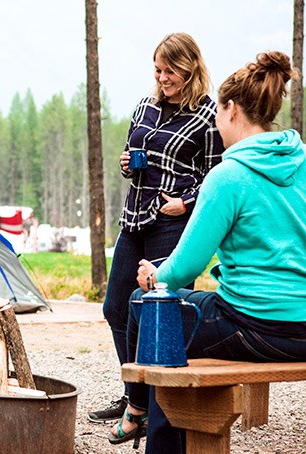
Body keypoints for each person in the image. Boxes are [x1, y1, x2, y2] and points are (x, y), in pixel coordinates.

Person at [115, 50, 306, 452]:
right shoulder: (302, 165)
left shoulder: (227, 176)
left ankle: (142, 415)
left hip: (257, 326)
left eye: (218, 114)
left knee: (149, 307)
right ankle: (146, 415)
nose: (216, 125)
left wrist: (154, 276)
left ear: (232, 109)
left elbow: (185, 268)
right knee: (176, 325)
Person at [88, 32, 224, 425]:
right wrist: (127, 164)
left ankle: (161, 405)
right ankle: (137, 396)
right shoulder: (145, 107)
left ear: (190, 69)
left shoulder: (207, 117)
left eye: (169, 71)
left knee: (161, 311)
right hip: (134, 218)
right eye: (158, 70)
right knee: (116, 309)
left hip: (173, 223)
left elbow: (216, 178)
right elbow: (130, 158)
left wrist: (186, 202)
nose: (161, 78)